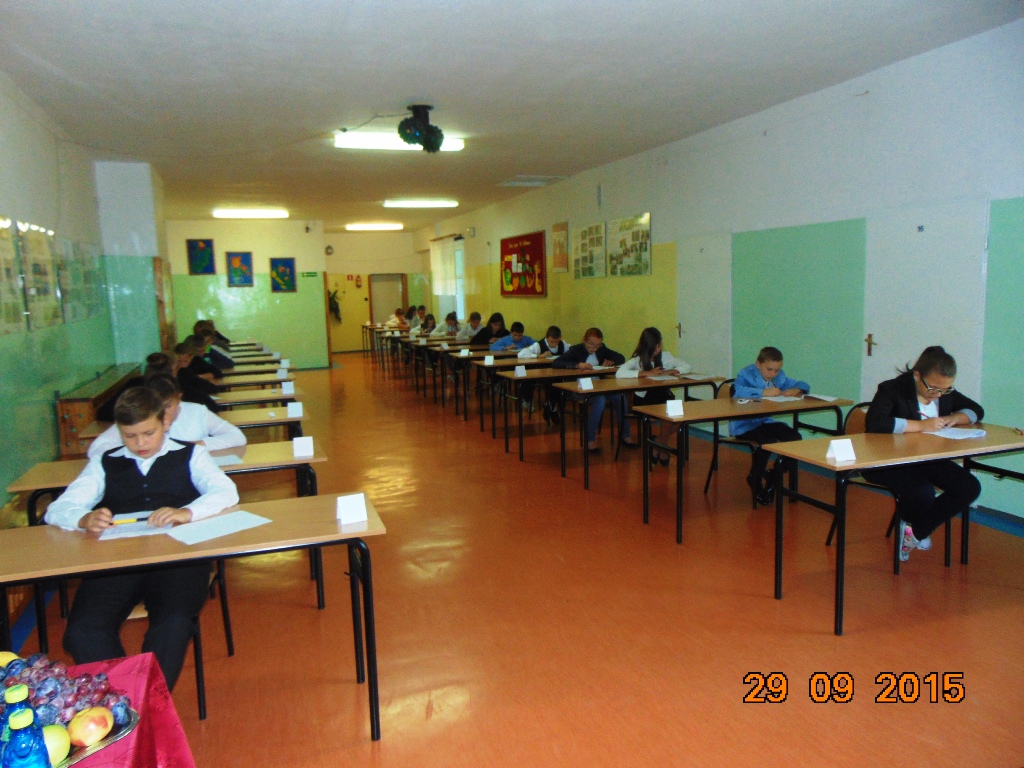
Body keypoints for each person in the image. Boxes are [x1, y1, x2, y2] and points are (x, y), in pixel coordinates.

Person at [45, 386, 239, 690]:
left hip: (178, 559)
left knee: (173, 624)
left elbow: (226, 492)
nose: (140, 443)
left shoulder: (191, 454)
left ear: (165, 422)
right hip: (117, 561)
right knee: (83, 631)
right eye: (130, 436)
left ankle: (143, 702)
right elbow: (58, 508)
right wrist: (83, 518)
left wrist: (187, 512)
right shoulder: (105, 462)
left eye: (149, 433)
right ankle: (125, 699)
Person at [863, 346, 983, 561]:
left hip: (925, 458)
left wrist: (956, 418)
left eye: (945, 389)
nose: (938, 395)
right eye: (933, 388)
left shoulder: (944, 393)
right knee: (922, 491)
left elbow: (976, 410)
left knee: (969, 487)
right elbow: (875, 423)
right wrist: (920, 426)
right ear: (917, 375)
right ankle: (910, 525)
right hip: (886, 461)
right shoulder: (892, 389)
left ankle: (915, 531)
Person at [88, 374, 245, 459]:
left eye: (168, 406)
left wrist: (195, 445)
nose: (163, 413)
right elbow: (95, 449)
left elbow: (237, 436)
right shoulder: (139, 418)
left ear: (179, 398)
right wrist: (138, 449)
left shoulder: (197, 412)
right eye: (157, 406)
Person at [731, 346, 809, 505]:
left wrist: (797, 389)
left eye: (777, 370)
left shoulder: (779, 377)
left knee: (794, 437)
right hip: (745, 424)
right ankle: (755, 478)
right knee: (768, 442)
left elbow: (803, 384)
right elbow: (736, 391)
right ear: (758, 364)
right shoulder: (746, 374)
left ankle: (774, 474)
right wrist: (763, 392)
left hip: (766, 421)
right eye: (769, 369)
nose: (773, 374)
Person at [616, 327, 692, 464]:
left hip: (663, 396)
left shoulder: (666, 356)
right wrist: (646, 373)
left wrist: (672, 371)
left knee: (680, 416)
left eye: (659, 346)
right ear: (647, 347)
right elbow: (620, 373)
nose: (658, 350)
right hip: (645, 400)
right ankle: (663, 449)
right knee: (668, 414)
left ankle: (658, 442)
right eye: (655, 347)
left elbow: (686, 366)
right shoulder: (638, 360)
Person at [552, 327, 630, 452]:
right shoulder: (576, 350)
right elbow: (556, 363)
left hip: (598, 386)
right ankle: (590, 439)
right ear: (584, 340)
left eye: (598, 345)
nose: (594, 348)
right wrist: (577, 365)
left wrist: (611, 361)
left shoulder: (602, 349)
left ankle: (625, 435)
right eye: (591, 345)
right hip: (579, 387)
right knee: (600, 400)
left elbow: (621, 357)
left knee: (620, 396)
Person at [518, 326, 568, 423]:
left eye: (557, 341)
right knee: (552, 384)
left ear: (560, 338)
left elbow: (572, 352)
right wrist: (539, 356)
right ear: (547, 337)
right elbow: (521, 354)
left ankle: (550, 406)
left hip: (558, 374)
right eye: (551, 341)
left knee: (561, 384)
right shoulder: (539, 345)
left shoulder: (563, 344)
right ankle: (552, 408)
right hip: (542, 375)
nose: (554, 344)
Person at [175, 341, 222, 411]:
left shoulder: (196, 362)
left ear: (191, 357)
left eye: (185, 361)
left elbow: (217, 373)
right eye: (179, 361)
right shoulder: (178, 376)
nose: (182, 365)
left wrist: (198, 377)